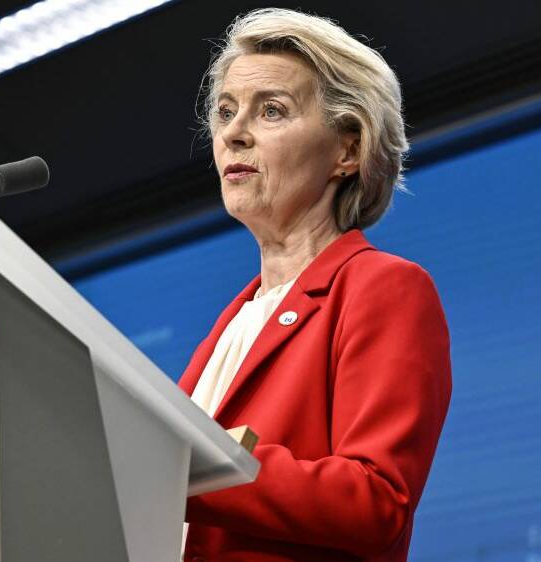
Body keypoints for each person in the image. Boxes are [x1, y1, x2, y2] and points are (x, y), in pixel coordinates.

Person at [178, 8, 452, 561]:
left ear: (347, 151)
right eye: (226, 111)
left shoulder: (382, 287)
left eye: (271, 110)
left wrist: (199, 465)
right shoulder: (234, 323)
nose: (233, 133)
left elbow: (376, 501)